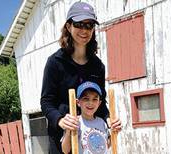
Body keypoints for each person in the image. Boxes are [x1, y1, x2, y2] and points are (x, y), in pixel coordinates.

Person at [40, 1, 121, 154]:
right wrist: (60, 120)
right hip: (63, 142)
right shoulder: (55, 63)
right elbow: (46, 102)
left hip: (89, 142)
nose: (84, 30)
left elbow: (100, 101)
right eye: (79, 24)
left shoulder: (98, 66)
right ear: (68, 27)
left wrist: (109, 119)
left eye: (89, 25)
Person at [61, 81, 111, 154]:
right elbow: (65, 150)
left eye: (94, 99)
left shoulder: (102, 122)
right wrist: (68, 131)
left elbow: (106, 145)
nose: (90, 103)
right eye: (86, 99)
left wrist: (113, 133)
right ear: (78, 102)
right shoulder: (75, 122)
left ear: (99, 103)